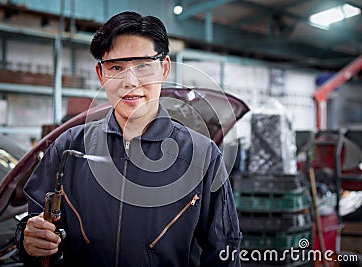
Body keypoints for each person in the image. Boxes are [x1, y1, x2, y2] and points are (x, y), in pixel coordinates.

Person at [16, 11, 242, 267]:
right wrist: (30, 242)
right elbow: (37, 231)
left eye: (143, 66)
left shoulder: (202, 157)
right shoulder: (67, 148)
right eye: (116, 68)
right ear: (101, 75)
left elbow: (223, 248)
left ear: (165, 67)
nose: (130, 82)